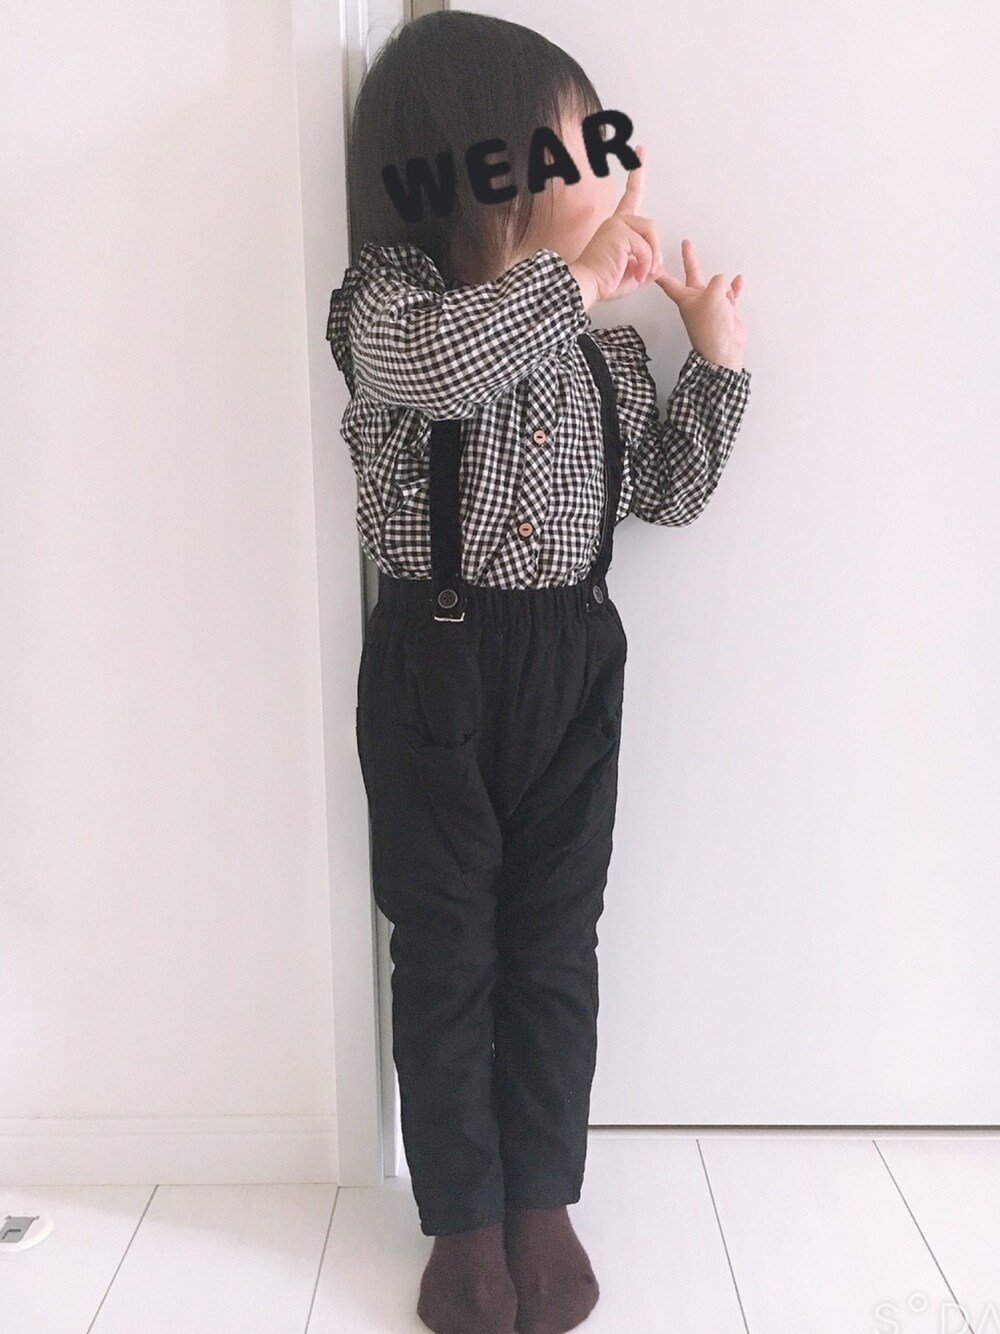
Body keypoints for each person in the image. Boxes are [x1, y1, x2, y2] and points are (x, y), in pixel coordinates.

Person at [326, 12, 752, 1333]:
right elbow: (447, 367)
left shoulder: (604, 347)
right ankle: (463, 1220)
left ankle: (541, 1201)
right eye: (583, 144)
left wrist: (715, 366)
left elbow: (664, 491)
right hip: (437, 664)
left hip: (572, 662)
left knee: (555, 943)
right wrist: (575, 275)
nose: (612, 167)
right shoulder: (388, 308)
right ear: (483, 170)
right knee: (445, 947)